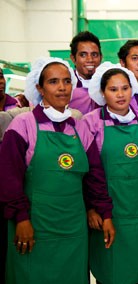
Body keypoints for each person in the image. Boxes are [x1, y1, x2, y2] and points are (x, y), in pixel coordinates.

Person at [0, 57, 114, 284]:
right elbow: (8, 178)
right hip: (33, 227)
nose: (62, 87)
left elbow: (94, 177)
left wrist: (103, 212)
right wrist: (21, 219)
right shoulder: (22, 125)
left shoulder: (80, 127)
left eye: (66, 81)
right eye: (53, 82)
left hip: (73, 229)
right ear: (39, 88)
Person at [83, 62, 138, 284]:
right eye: (113, 89)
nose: (120, 94)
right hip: (107, 210)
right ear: (102, 93)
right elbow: (87, 172)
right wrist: (92, 207)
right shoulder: (90, 123)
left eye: (125, 88)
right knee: (112, 272)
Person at [69, 31, 103, 114]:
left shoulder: (108, 83)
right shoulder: (66, 85)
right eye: (83, 55)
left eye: (94, 55)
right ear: (73, 58)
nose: (90, 60)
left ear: (101, 57)